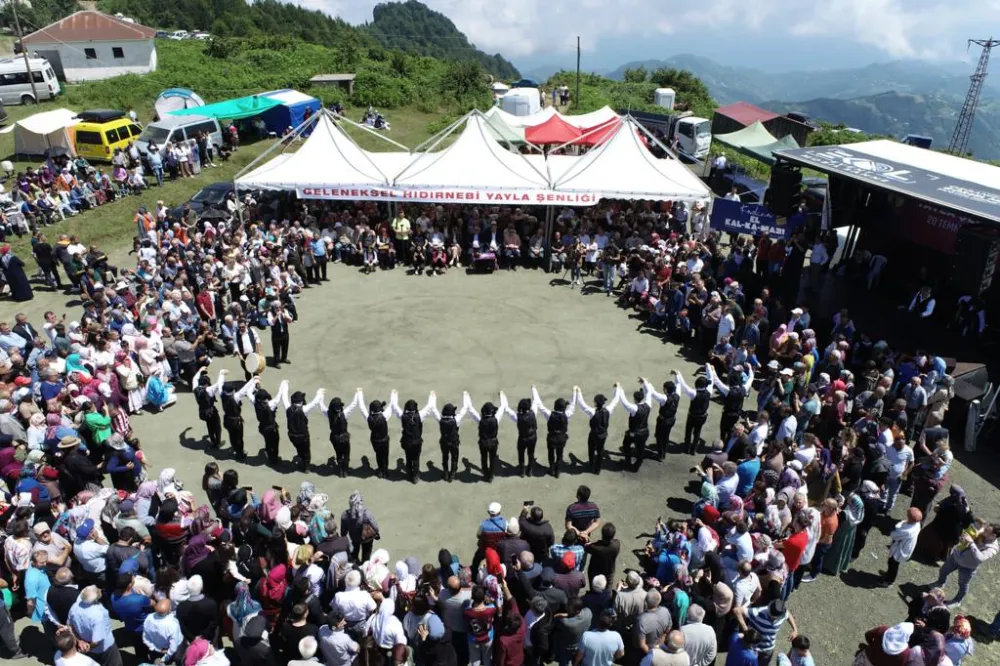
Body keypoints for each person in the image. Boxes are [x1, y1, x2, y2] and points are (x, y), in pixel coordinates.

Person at [392, 391, 436, 483]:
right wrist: (432, 396)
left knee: (408, 458)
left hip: (407, 442)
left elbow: (395, 407)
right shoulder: (420, 415)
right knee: (416, 459)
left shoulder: (403, 416)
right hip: (417, 443)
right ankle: (415, 477)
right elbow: (430, 406)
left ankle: (408, 475)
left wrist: (394, 395)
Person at [533, 386, 575, 478]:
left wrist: (534, 390)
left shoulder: (549, 414)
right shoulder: (567, 415)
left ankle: (551, 469)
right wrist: (575, 392)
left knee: (551, 454)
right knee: (560, 455)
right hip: (561, 439)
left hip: (551, 439)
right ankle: (558, 472)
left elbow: (539, 405)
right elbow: (572, 406)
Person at [283, 386, 325, 471]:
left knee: (299, 448)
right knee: (306, 451)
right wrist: (320, 393)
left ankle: (301, 457)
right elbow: (314, 402)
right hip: (303, 436)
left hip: (292, 436)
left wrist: (284, 386)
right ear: (301, 401)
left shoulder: (288, 408)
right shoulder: (304, 409)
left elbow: (284, 397)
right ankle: (306, 467)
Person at [431, 393, 471, 482]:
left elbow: (434, 410)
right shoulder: (456, 420)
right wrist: (466, 397)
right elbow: (463, 410)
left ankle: (445, 473)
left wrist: (433, 397)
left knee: (445, 457)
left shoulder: (440, 420)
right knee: (454, 457)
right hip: (454, 442)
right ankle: (452, 474)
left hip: (444, 443)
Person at [249, 378, 289, 466]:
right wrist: (283, 385)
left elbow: (248, 393)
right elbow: (279, 396)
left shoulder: (255, 402)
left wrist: (254, 381)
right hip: (271, 428)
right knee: (274, 443)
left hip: (263, 427)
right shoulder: (270, 405)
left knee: (268, 442)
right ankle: (273, 459)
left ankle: (270, 454)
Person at [323, 390, 362, 478]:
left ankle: (341, 471)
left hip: (334, 438)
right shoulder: (345, 413)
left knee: (338, 454)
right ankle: (346, 470)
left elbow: (322, 407)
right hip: (344, 438)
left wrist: (321, 396)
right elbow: (353, 404)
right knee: (346, 454)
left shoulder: (329, 413)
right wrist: (357, 394)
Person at [468, 393, 505, 482]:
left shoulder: (481, 420)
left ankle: (486, 473)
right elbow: (502, 408)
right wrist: (502, 396)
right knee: (492, 459)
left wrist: (467, 397)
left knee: (483, 458)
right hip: (493, 443)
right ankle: (491, 475)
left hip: (483, 443)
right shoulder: (496, 419)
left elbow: (472, 411)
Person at [673, 370, 712, 454]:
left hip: (692, 416)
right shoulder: (709, 391)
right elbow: (711, 378)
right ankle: (693, 450)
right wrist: (709, 369)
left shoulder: (693, 393)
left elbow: (684, 385)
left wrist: (678, 374)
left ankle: (687, 448)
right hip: (702, 416)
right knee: (697, 432)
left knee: (688, 432)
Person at [617, 381, 652, 471]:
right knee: (641, 449)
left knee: (626, 445)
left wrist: (620, 389)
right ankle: (637, 465)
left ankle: (628, 461)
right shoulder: (648, 404)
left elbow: (624, 402)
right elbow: (649, 392)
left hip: (634, 433)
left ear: (635, 399)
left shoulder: (634, 408)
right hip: (645, 432)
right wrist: (645, 382)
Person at [358, 391, 394, 478]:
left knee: (378, 455)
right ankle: (385, 470)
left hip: (375, 441)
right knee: (385, 455)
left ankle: (380, 470)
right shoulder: (384, 416)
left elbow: (362, 408)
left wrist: (359, 394)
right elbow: (391, 406)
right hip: (384, 440)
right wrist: (393, 395)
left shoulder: (369, 418)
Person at [882, 508, 923, 586]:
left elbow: (894, 535)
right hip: (905, 548)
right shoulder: (917, 524)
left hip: (900, 551)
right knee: (892, 563)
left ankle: (889, 581)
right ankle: (888, 574)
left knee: (893, 565)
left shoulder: (905, 531)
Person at [220, 378, 255, 460]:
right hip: (235, 421)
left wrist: (221, 374)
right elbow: (244, 389)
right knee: (239, 438)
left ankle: (234, 447)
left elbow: (219, 384)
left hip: (227, 419)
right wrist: (253, 380)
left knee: (232, 436)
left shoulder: (222, 395)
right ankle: (240, 453)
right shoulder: (235, 397)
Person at [193, 367, 226, 449]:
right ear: (207, 383)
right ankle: (217, 443)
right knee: (217, 427)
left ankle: (213, 441)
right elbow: (219, 384)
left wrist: (200, 370)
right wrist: (221, 373)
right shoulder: (209, 390)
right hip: (211, 412)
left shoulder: (196, 389)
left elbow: (194, 379)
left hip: (202, 412)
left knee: (209, 426)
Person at [506, 394, 539, 477]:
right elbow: (535, 401)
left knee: (521, 454)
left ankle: (522, 471)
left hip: (522, 439)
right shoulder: (533, 413)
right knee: (531, 454)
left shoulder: (517, 417)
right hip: (532, 438)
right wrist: (533, 389)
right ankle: (530, 470)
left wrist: (503, 397)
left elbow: (508, 411)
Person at [648, 379, 680, 461]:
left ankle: (660, 455)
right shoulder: (677, 396)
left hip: (663, 421)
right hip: (671, 419)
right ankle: (663, 453)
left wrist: (647, 383)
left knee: (659, 438)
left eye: (664, 388)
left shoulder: (664, 398)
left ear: (666, 389)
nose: (663, 389)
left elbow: (654, 394)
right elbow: (679, 384)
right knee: (666, 437)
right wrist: (677, 376)